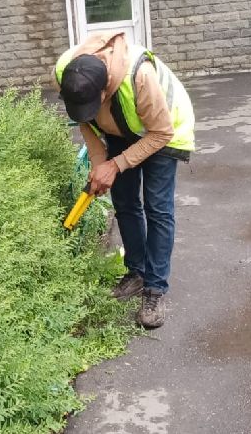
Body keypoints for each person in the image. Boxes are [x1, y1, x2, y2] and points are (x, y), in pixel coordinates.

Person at [55, 30, 195, 329]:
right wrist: (99, 163)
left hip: (164, 131)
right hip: (120, 127)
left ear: (104, 90)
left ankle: (154, 288)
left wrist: (116, 164)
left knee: (157, 208)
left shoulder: (139, 76)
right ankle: (136, 272)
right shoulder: (67, 72)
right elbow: (85, 123)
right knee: (125, 203)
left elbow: (161, 133)